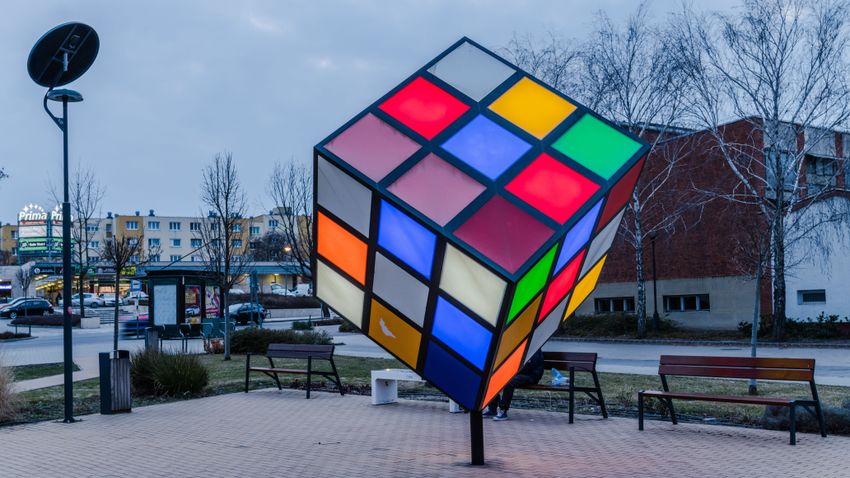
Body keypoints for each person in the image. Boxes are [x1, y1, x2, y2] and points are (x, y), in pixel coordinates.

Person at [483, 349, 545, 421]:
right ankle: (492, 409)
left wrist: (511, 373)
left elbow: (528, 366)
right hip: (519, 374)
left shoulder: (535, 349)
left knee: (509, 382)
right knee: (494, 379)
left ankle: (503, 410)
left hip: (531, 376)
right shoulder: (524, 346)